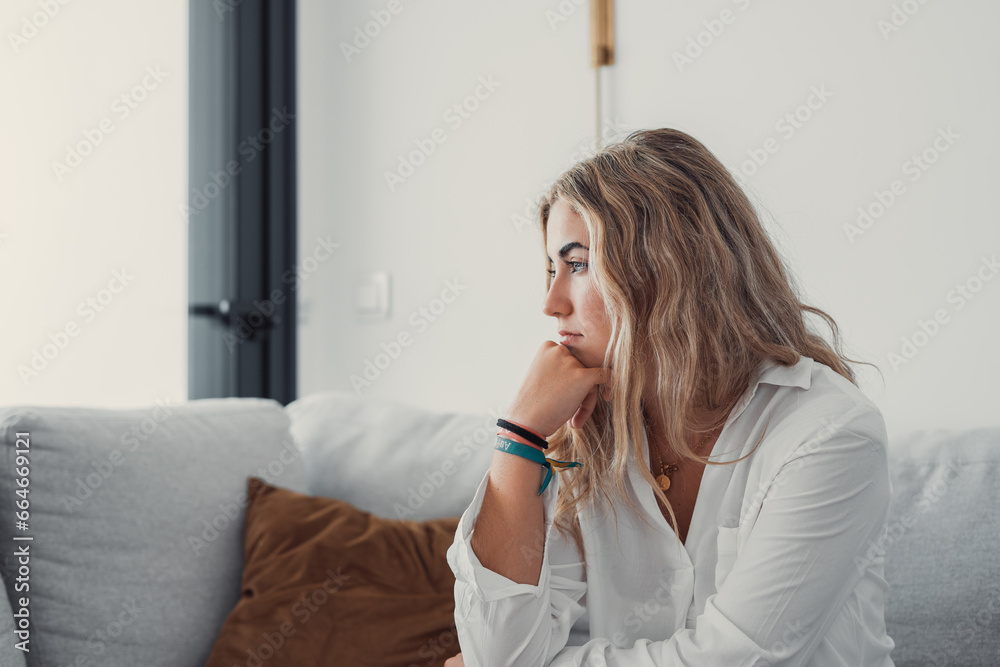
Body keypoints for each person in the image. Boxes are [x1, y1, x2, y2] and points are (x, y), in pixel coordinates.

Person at [444, 128, 895, 666]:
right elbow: (497, 651)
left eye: (578, 264)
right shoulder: (578, 429)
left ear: (665, 268)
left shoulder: (829, 433)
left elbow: (736, 660)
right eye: (550, 268)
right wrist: (517, 436)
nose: (551, 302)